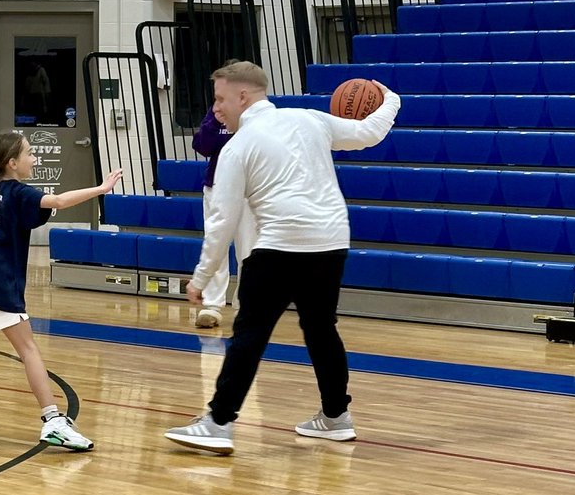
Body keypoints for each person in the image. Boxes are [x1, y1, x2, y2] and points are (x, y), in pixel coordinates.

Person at [165, 60, 400, 455]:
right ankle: (336, 418)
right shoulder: (310, 119)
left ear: (244, 95)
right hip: (330, 241)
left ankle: (218, 423)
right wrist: (391, 99)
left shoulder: (237, 146)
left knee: (250, 335)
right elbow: (369, 132)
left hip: (278, 245)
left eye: (221, 99)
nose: (217, 109)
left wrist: (202, 279)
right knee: (321, 329)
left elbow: (222, 220)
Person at [0, 132, 122, 447]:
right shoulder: (17, 193)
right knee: (27, 349)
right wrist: (101, 188)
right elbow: (58, 201)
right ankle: (53, 420)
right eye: (29, 153)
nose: (35, 158)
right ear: (12, 163)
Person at [190, 107, 256, 329]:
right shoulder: (216, 112)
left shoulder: (259, 115)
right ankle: (212, 305)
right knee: (215, 244)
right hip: (216, 188)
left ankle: (245, 307)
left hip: (249, 191)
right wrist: (215, 124)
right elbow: (202, 146)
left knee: (248, 250)